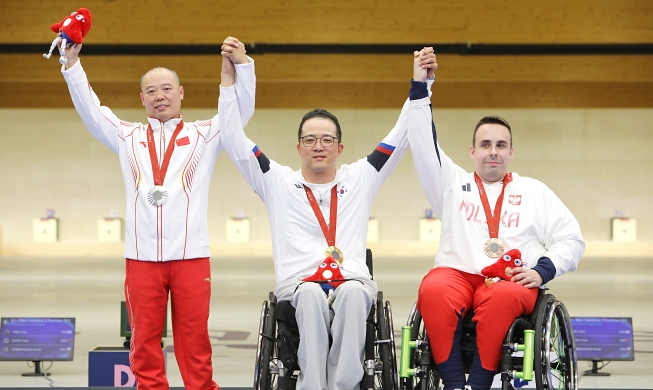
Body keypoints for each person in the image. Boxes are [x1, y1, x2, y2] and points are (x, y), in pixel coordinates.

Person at [218, 43, 437, 389]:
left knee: (351, 294)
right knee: (309, 296)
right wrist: (234, 77)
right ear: (299, 147)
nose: (318, 146)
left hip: (351, 281)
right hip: (299, 284)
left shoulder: (361, 176)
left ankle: (342, 385)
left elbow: (403, 134)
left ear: (339, 148)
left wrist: (420, 84)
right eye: (310, 139)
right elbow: (231, 136)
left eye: (326, 139)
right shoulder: (277, 180)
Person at [56, 36, 256, 390]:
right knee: (144, 342)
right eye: (151, 90)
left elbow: (239, 114)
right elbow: (92, 109)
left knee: (195, 342)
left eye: (166, 88)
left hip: (191, 257)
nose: (159, 95)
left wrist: (241, 67)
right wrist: (71, 64)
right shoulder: (126, 136)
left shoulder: (204, 135)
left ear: (182, 93)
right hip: (141, 258)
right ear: (142, 99)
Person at [407, 64, 585, 390]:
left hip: (510, 279)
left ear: (511, 152)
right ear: (472, 152)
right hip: (458, 274)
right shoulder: (450, 182)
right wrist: (422, 86)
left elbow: (571, 238)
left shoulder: (533, 191)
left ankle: (477, 385)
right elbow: (421, 141)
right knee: (432, 288)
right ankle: (452, 385)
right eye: (486, 144)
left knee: (501, 296)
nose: (493, 152)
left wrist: (543, 270)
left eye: (501, 145)